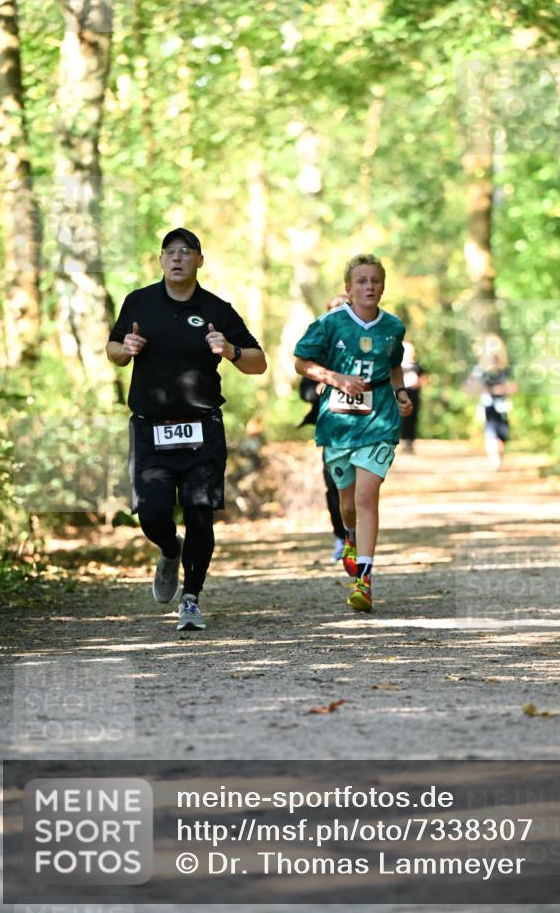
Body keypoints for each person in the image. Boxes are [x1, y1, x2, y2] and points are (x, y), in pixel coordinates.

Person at [106, 228, 266, 630]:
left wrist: (230, 351)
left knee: (199, 515)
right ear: (161, 260)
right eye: (170, 252)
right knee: (153, 514)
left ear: (200, 260)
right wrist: (125, 350)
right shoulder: (138, 302)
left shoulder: (217, 309)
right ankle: (169, 549)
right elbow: (112, 351)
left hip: (202, 429)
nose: (177, 258)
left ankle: (191, 598)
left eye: (186, 252)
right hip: (150, 429)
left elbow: (258, 362)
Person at [294, 254, 413, 613]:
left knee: (366, 496)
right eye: (361, 281)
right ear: (348, 289)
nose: (369, 287)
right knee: (347, 505)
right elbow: (301, 362)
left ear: (383, 286)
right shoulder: (330, 324)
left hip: (379, 421)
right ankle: (348, 537)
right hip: (339, 423)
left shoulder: (393, 327)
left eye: (375, 281)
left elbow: (394, 367)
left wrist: (401, 393)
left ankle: (365, 580)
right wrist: (336, 379)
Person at [298, 295, 348, 562]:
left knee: (360, 485)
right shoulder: (318, 346)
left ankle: (359, 537)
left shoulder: (366, 342)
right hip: (331, 428)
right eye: (333, 309)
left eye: (344, 308)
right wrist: (319, 388)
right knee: (333, 485)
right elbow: (304, 388)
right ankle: (341, 537)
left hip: (363, 426)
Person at [465, 334, 517, 470]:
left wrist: (500, 389)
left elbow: (514, 387)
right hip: (488, 408)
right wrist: (485, 389)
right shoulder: (480, 371)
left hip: (503, 408)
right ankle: (495, 462)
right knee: (491, 435)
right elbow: (469, 387)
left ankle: (498, 459)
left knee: (502, 437)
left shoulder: (506, 371)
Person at [399, 340, 428, 452]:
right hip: (401, 394)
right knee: (402, 419)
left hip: (414, 394)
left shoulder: (416, 366)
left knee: (412, 418)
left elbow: (424, 377)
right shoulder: (398, 365)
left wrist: (417, 383)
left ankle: (410, 441)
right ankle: (403, 441)